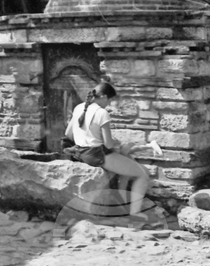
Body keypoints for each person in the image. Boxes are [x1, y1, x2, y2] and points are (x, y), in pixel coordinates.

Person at [64, 82, 151, 226]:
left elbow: (68, 134)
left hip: (79, 152)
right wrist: (120, 142)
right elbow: (109, 144)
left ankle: (121, 202)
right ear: (103, 96)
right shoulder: (101, 113)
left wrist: (86, 138)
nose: (109, 104)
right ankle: (135, 213)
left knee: (125, 166)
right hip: (96, 155)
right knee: (142, 174)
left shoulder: (79, 107)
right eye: (109, 100)